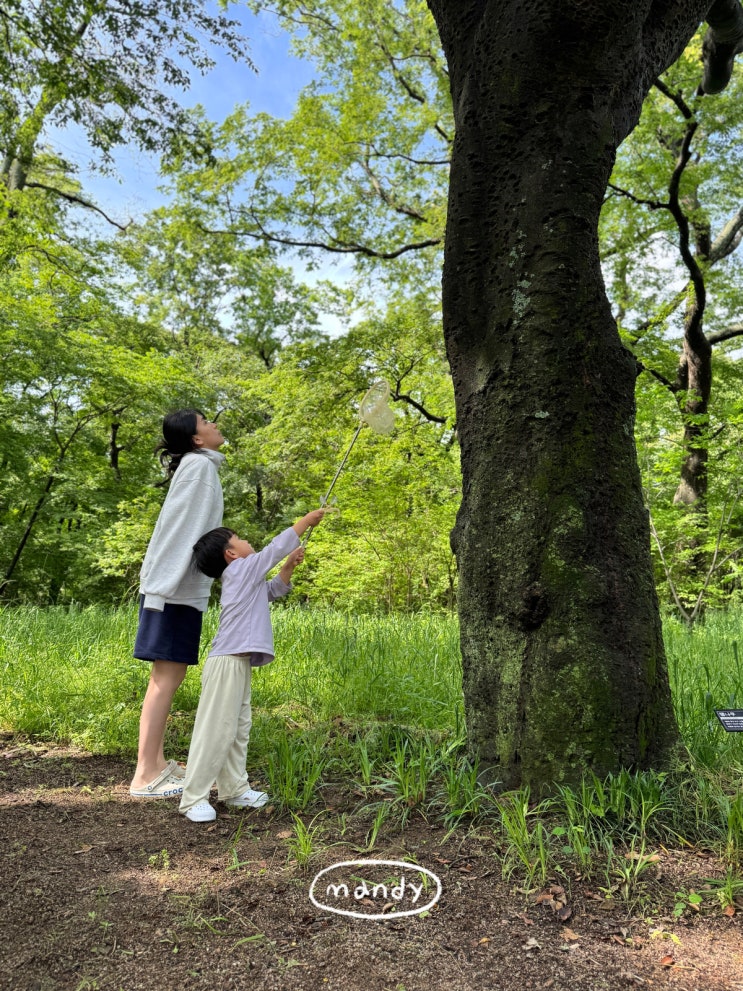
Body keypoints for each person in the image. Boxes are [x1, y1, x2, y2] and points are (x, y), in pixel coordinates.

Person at [178, 507, 330, 823]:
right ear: (231, 554)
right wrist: (305, 522)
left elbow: (272, 591)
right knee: (216, 729)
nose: (248, 541)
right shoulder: (240, 570)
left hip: (239, 662)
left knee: (237, 728)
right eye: (241, 538)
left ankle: (234, 789)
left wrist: (287, 567)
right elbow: (273, 549)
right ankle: (193, 798)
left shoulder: (246, 577)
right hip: (226, 663)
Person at [129, 409, 227, 799]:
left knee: (169, 676)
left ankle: (156, 762)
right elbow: (181, 530)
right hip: (173, 591)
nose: (214, 424)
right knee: (165, 679)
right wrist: (164, 586)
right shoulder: (199, 468)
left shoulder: (199, 467)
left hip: (177, 589)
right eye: (206, 422)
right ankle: (144, 775)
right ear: (196, 439)